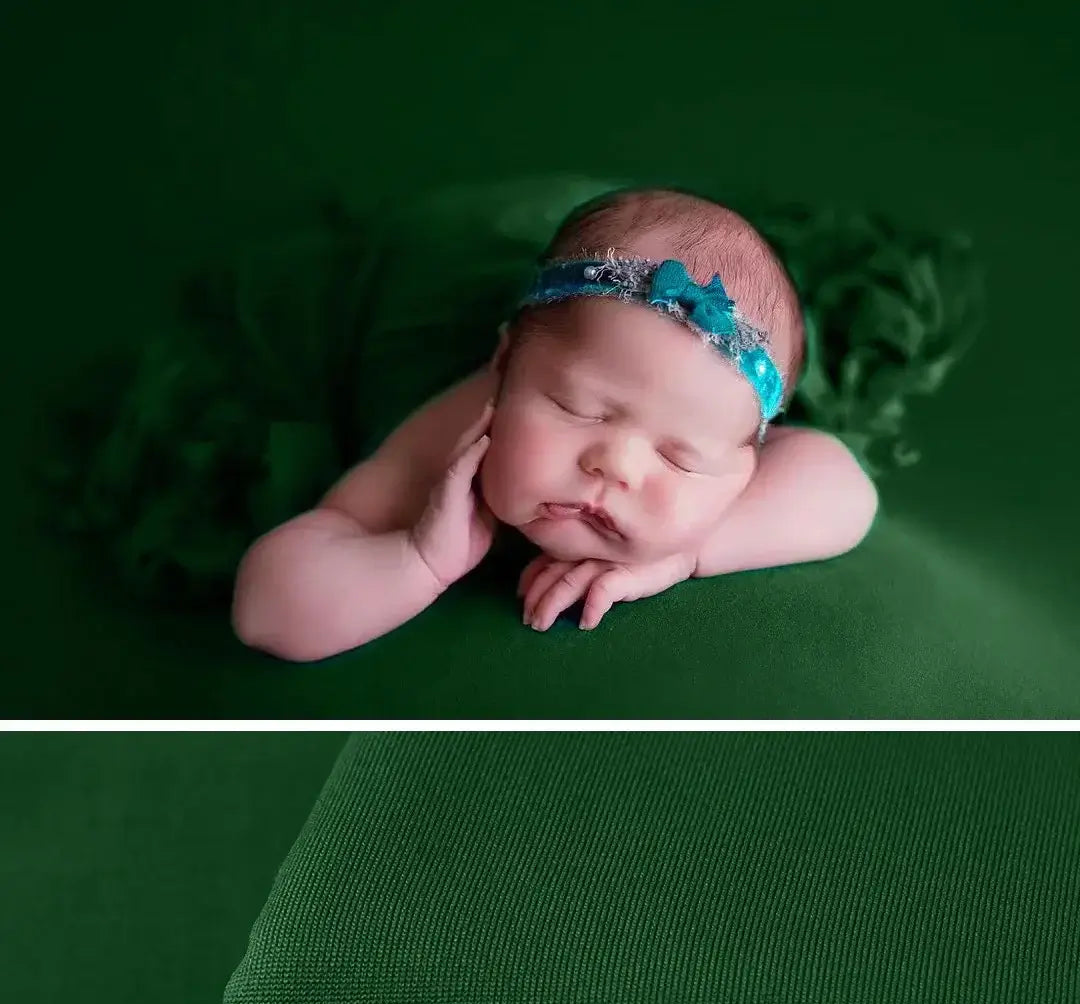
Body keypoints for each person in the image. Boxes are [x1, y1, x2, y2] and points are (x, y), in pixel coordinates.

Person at [230, 187, 880, 662]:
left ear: (744, 465)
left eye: (680, 458)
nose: (615, 466)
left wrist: (687, 554)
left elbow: (847, 489)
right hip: (458, 273)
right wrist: (419, 558)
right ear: (505, 365)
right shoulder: (454, 434)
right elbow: (264, 611)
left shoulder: (721, 419)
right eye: (580, 410)